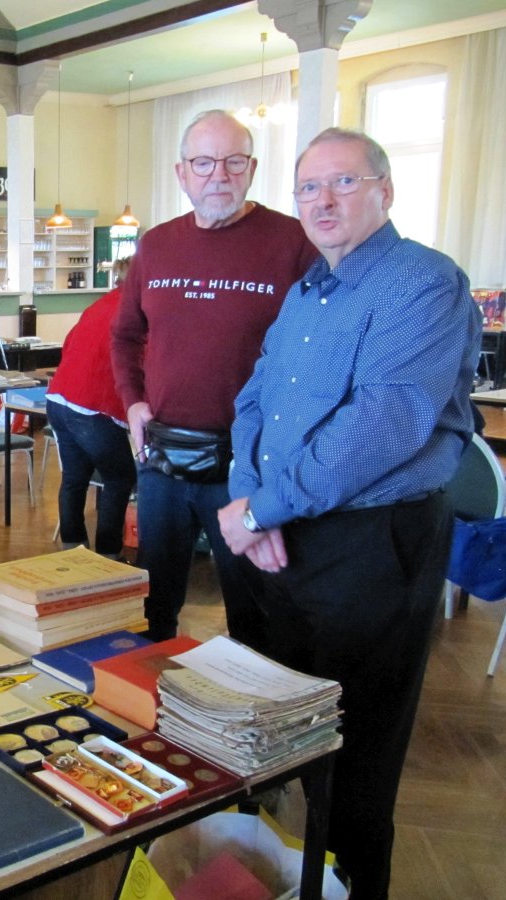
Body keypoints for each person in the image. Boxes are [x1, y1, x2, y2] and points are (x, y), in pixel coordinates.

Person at [218, 128, 479, 900]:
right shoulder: (308, 289)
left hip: (372, 542)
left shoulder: (424, 282)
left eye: (343, 183)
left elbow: (382, 425)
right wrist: (249, 500)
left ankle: (356, 885)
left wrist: (260, 510)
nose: (322, 201)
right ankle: (288, 876)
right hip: (283, 533)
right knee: (283, 721)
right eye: (308, 187)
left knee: (358, 744)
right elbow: (254, 398)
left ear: (384, 191)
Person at [111, 109, 317, 646]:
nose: (218, 176)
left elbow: (321, 352)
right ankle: (149, 697)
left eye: (233, 162)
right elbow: (125, 335)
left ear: (252, 169)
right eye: (203, 163)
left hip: (249, 464)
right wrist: (132, 401)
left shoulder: (294, 242)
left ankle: (253, 700)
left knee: (256, 613)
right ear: (182, 173)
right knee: (152, 610)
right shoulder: (156, 244)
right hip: (163, 459)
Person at [45, 255, 137, 557]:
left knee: (74, 478)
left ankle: (74, 552)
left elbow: (70, 345)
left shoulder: (100, 304)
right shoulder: (136, 310)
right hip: (92, 406)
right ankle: (109, 555)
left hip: (60, 398)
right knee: (120, 478)